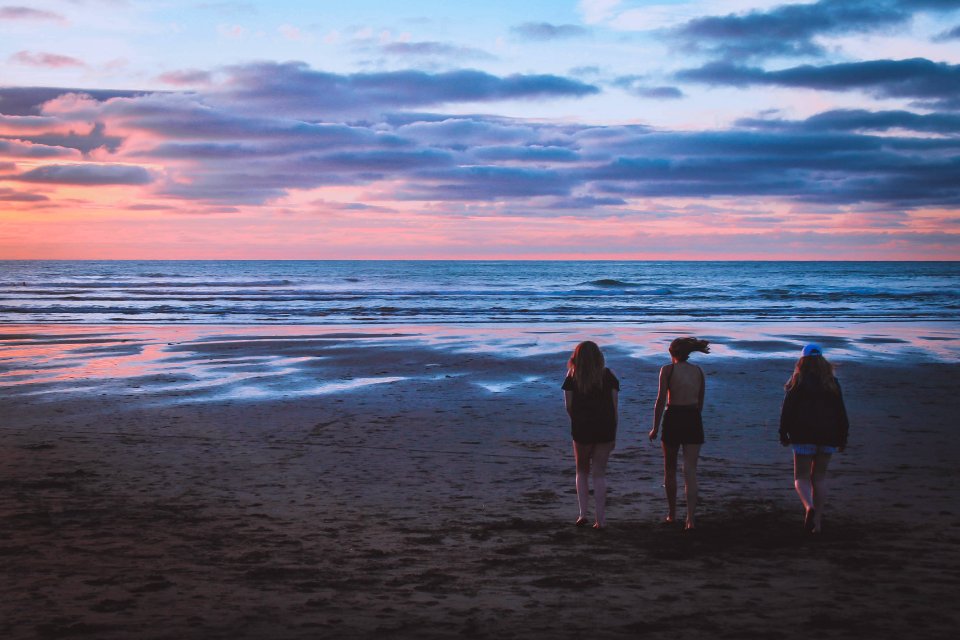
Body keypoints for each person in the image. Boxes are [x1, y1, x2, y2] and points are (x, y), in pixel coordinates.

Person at [779, 343, 849, 534]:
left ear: (802, 361)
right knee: (819, 478)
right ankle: (817, 523)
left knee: (800, 477)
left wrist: (783, 433)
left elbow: (787, 410)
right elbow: (841, 412)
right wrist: (843, 437)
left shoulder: (797, 381)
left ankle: (809, 506)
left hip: (803, 435)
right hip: (828, 436)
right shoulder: (832, 382)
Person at [649, 337, 710, 530]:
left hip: (673, 416)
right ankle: (690, 518)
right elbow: (700, 401)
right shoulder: (698, 371)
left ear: (672, 353)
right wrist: (693, 418)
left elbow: (660, 401)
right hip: (692, 417)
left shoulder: (667, 370)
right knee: (690, 470)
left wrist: (655, 427)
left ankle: (672, 513)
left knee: (670, 469)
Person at [562, 341, 619, 529]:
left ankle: (582, 513)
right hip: (605, 426)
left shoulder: (572, 376)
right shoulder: (608, 376)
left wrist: (577, 420)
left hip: (582, 426)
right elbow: (614, 406)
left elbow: (569, 406)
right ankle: (600, 520)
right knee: (599, 474)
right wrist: (614, 431)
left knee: (581, 470)